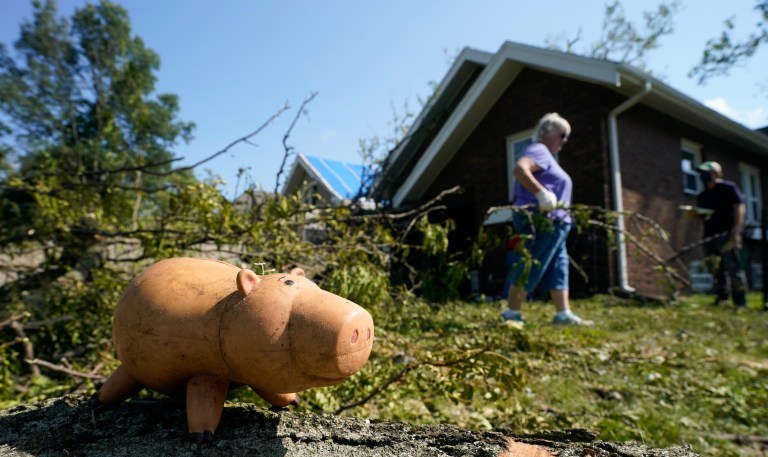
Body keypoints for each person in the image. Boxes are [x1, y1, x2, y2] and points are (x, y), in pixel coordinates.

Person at [500, 113, 592, 326]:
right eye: (562, 134)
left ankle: (562, 314)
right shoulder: (539, 150)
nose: (565, 140)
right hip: (542, 221)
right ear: (547, 132)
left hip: (557, 223)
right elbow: (520, 169)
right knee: (532, 261)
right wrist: (541, 193)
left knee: (558, 266)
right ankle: (512, 313)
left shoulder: (549, 158)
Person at [695, 161, 747, 308]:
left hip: (727, 234)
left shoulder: (728, 188)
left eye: (706, 172)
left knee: (733, 268)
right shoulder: (703, 195)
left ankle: (740, 302)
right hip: (710, 235)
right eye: (701, 173)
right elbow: (705, 215)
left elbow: (739, 209)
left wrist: (736, 232)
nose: (703, 176)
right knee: (716, 268)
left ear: (717, 173)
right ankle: (721, 298)